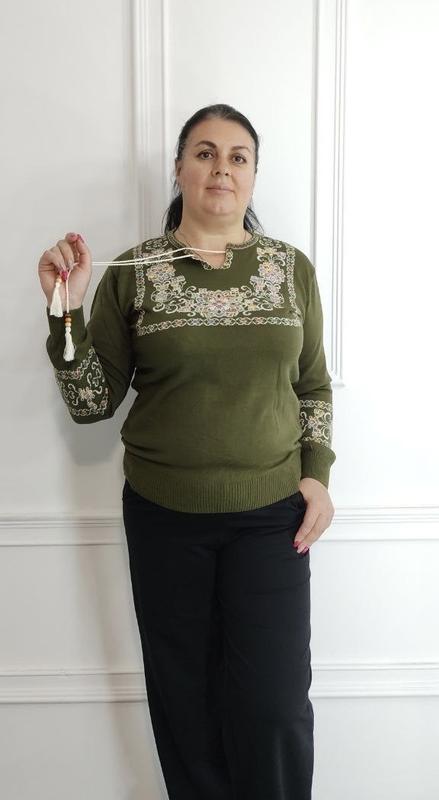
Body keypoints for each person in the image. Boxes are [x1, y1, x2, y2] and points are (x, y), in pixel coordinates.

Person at [38, 103, 336, 800]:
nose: (221, 169)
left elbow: (313, 385)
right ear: (179, 169)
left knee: (273, 708)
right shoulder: (134, 272)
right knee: (187, 709)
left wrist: (317, 474)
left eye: (237, 156)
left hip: (272, 519)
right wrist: (65, 310)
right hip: (165, 518)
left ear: (253, 175)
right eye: (204, 153)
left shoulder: (290, 269)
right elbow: (90, 403)